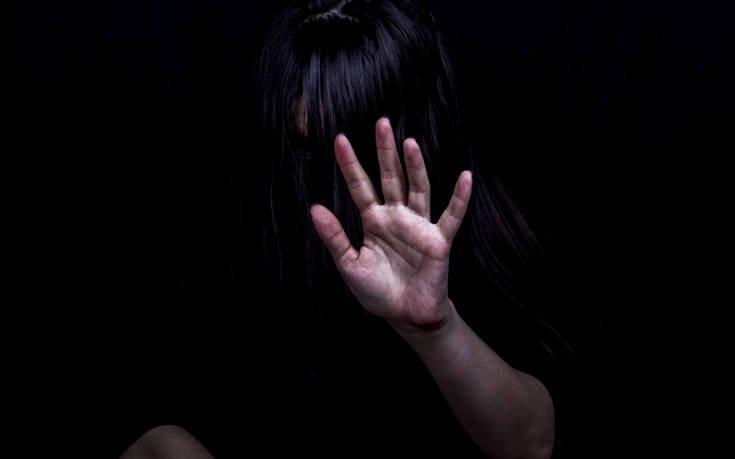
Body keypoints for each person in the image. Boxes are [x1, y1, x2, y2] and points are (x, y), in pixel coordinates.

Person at [122, 1, 577, 457]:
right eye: (306, 148)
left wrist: (434, 329)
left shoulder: (487, 235)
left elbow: (532, 445)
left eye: (351, 147)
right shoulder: (253, 232)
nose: (330, 183)